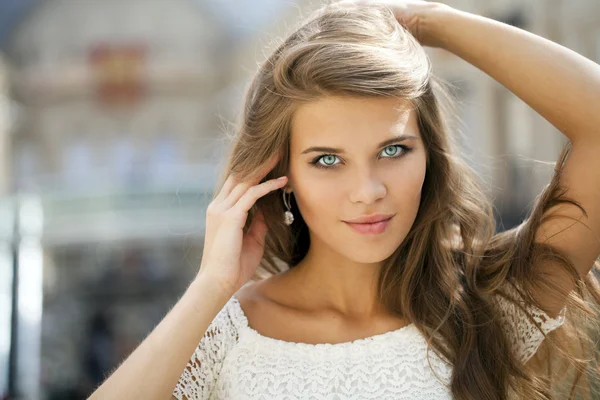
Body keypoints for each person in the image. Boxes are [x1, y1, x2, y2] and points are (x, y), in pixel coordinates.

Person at [89, 1, 600, 399]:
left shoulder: (489, 306)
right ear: (280, 173)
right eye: (327, 160)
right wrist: (210, 287)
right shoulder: (224, 334)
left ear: (431, 156)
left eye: (394, 149)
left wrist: (429, 21)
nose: (368, 191)